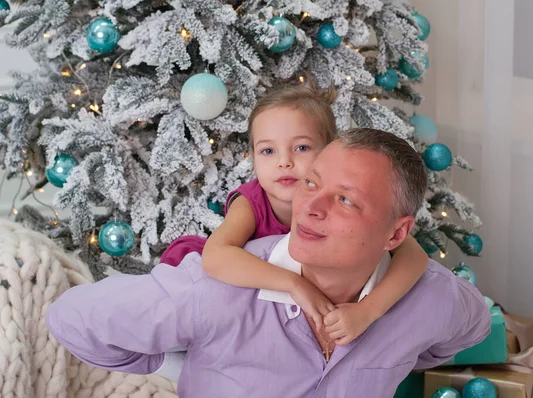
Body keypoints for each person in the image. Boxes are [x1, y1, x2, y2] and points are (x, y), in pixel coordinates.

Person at [46, 128, 491, 397]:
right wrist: (174, 364)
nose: (309, 207)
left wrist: (394, 344)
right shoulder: (214, 294)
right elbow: (72, 318)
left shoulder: (430, 298)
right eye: (310, 182)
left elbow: (472, 327)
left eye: (344, 200)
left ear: (396, 234)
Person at [160, 81, 429, 343]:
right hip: (242, 293)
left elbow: (413, 255)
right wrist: (294, 285)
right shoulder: (252, 201)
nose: (284, 162)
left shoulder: (359, 219)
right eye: (267, 150)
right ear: (252, 158)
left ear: (330, 152)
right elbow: (216, 257)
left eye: (301, 148)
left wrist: (368, 311)